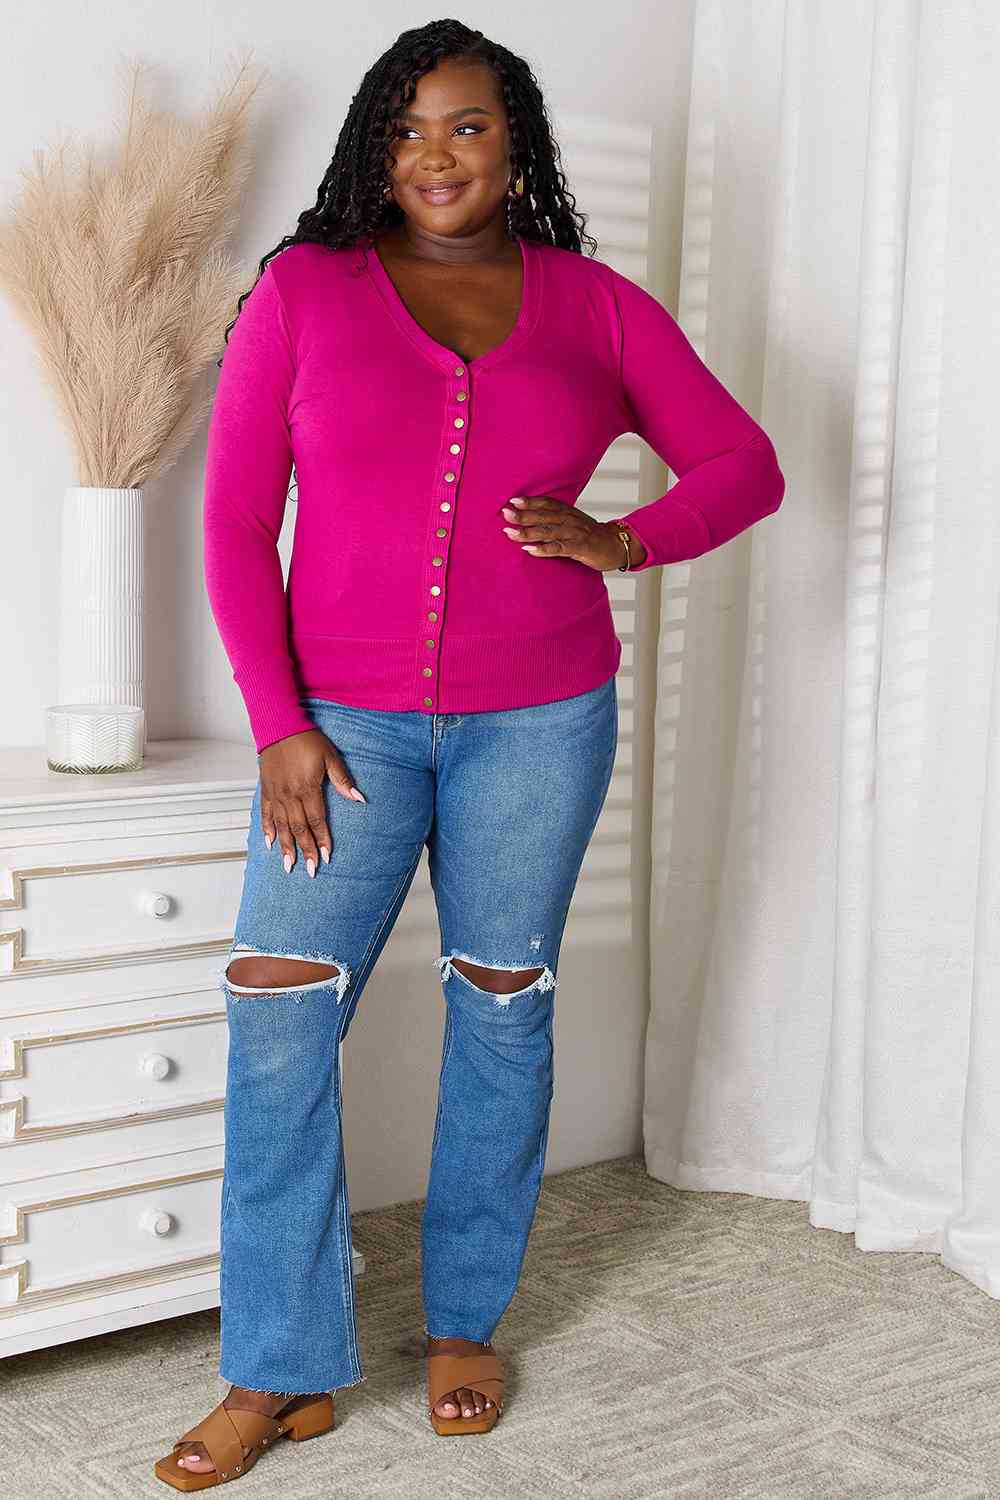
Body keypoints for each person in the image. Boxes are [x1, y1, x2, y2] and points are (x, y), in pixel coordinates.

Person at [155, 17, 784, 1488]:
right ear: (375, 146)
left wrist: (623, 541)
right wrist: (279, 724)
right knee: (279, 1013)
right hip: (342, 733)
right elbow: (236, 521)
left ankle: (461, 1326)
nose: (435, 156)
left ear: (517, 144)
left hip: (541, 723)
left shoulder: (596, 306)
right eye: (408, 128)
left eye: (469, 126)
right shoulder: (304, 292)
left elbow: (743, 463)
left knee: (502, 1012)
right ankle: (279, 1368)